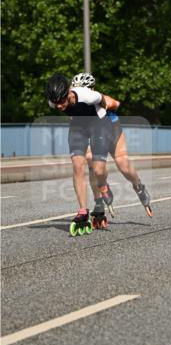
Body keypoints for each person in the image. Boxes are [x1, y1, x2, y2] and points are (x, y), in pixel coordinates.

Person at [70, 73, 152, 217]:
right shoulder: (73, 102)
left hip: (112, 128)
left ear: (91, 89)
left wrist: (109, 103)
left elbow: (116, 103)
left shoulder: (97, 97)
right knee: (91, 160)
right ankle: (99, 200)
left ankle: (138, 186)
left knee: (123, 164)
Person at [46, 72, 117, 234]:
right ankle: (83, 210)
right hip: (78, 127)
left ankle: (102, 191)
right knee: (78, 165)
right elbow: (63, 106)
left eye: (61, 101)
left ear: (68, 93)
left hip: (99, 124)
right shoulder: (53, 102)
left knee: (95, 165)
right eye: (56, 103)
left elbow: (105, 102)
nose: (58, 106)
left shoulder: (88, 96)